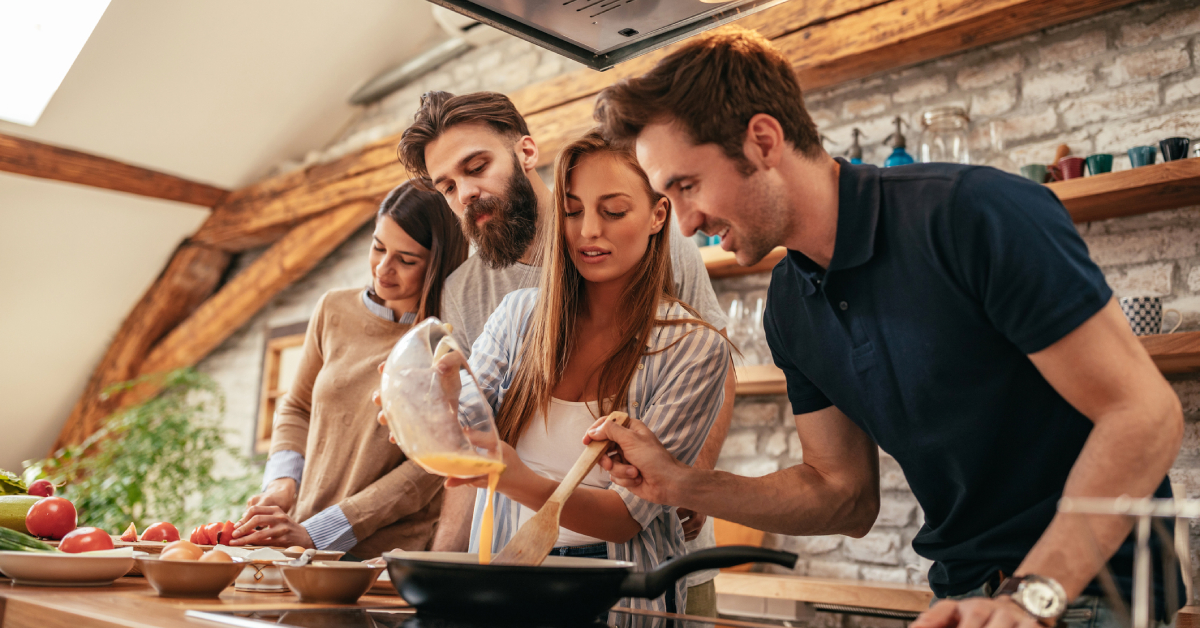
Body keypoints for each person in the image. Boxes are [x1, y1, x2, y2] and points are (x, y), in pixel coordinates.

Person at [584, 26, 1185, 628]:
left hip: (1094, 588)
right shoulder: (789, 305)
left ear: (763, 140)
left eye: (687, 186)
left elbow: (1143, 414)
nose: (685, 225)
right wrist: (681, 484)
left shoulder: (972, 215)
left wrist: (1032, 598)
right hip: (960, 595)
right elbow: (843, 494)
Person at [394, 91, 734, 614]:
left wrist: (687, 480)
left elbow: (711, 369)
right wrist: (445, 570)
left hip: (654, 561)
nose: (465, 192)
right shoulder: (472, 291)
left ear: (526, 152)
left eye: (476, 166)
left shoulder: (658, 245)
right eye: (447, 186)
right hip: (519, 562)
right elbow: (473, 431)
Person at [231, 182, 469, 559]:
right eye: (378, 247)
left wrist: (321, 532)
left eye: (406, 260)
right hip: (299, 539)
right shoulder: (332, 310)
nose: (384, 269)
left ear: (438, 263)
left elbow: (429, 469)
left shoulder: (447, 340)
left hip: (385, 557)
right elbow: (297, 408)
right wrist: (282, 483)